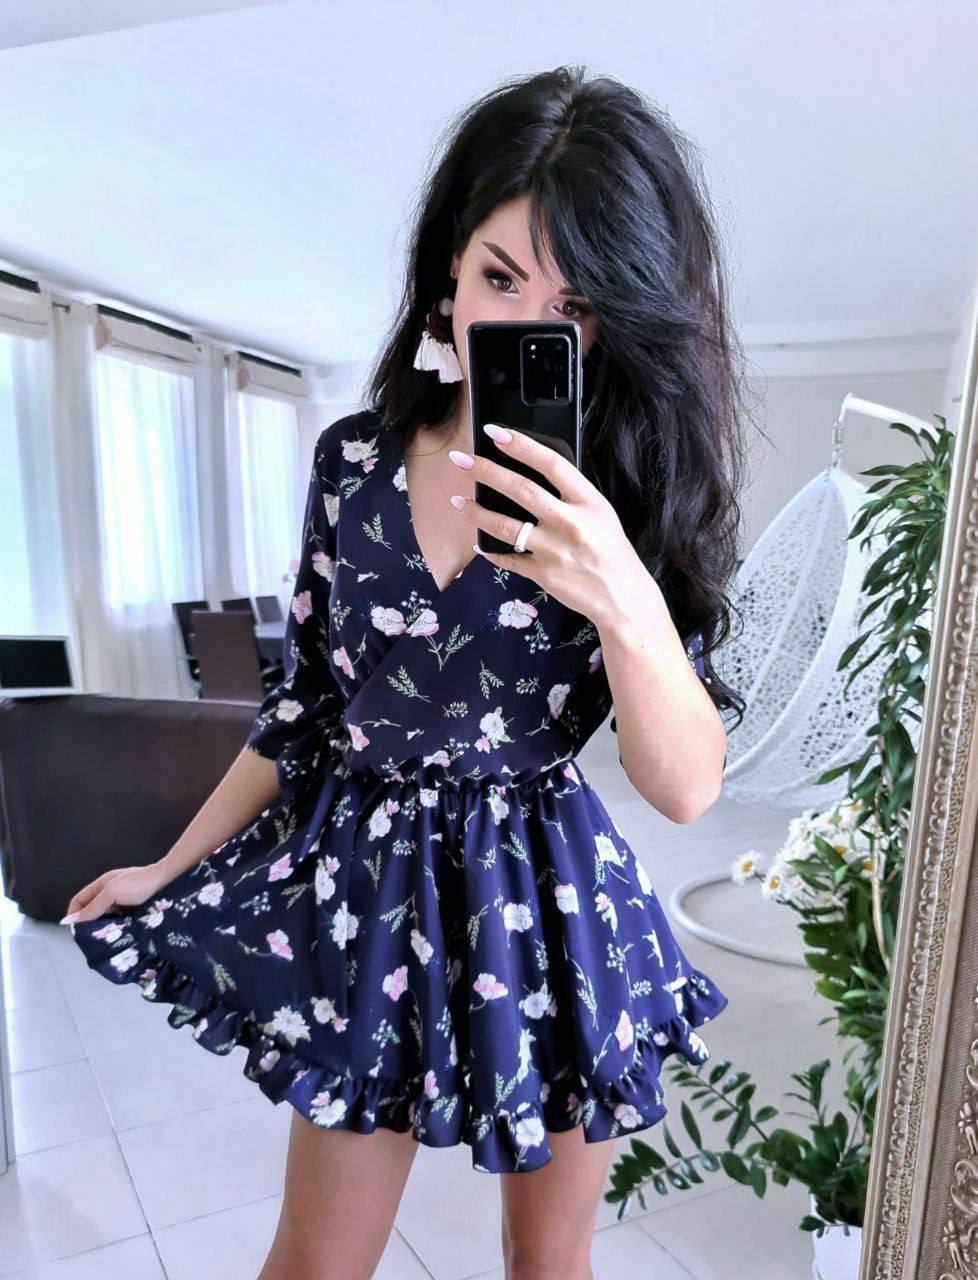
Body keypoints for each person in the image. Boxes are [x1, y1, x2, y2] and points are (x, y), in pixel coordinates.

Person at [62, 64, 747, 1280]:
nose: (528, 320)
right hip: (364, 901)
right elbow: (300, 712)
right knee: (315, 1262)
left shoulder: (630, 490)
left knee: (551, 1267)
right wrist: (169, 863)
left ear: (622, 316)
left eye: (575, 300)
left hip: (550, 907)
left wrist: (623, 591)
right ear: (446, 274)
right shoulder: (355, 462)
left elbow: (685, 784)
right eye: (498, 276)